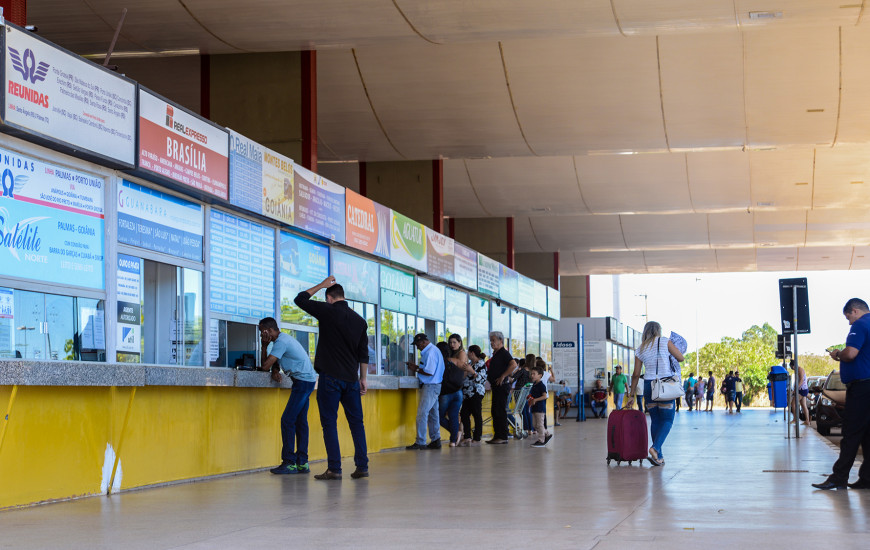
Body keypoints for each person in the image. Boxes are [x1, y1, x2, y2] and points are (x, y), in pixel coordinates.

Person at [294, 277, 369, 481]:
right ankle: (362, 466)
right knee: (357, 423)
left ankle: (334, 469)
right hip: (352, 380)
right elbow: (364, 355)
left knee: (329, 424)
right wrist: (363, 378)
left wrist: (321, 284)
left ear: (329, 298)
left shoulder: (328, 311)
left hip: (330, 379)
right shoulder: (359, 321)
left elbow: (299, 300)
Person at [813, 298, 870, 490]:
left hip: (861, 388)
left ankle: (839, 477)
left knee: (851, 432)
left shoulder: (860, 325)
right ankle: (867, 478)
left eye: (848, 317)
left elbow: (851, 353)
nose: (849, 322)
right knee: (867, 435)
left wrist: (838, 354)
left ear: (854, 311)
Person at [258, 317, 318, 475]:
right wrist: (276, 370)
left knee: (287, 420)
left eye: (262, 332)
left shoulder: (280, 342)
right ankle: (302, 463)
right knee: (300, 421)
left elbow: (265, 366)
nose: (261, 336)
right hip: (307, 381)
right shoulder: (283, 340)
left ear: (269, 331)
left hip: (303, 382)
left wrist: (264, 346)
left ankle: (289, 462)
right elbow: (275, 362)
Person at [629, 321, 685, 467]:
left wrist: (631, 395)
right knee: (667, 420)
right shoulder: (665, 341)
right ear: (658, 330)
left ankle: (658, 456)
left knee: (655, 420)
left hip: (648, 386)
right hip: (665, 385)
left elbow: (636, 374)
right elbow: (681, 358)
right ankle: (655, 448)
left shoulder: (640, 349)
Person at [405, 334, 445, 450]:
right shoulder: (433, 350)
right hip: (434, 386)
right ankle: (435, 439)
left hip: (430, 386)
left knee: (422, 414)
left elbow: (429, 371)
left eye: (418, 345)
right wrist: (417, 367)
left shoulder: (430, 352)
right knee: (433, 415)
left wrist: (416, 369)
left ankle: (421, 441)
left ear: (423, 342)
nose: (418, 347)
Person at [486, 331, 517, 444]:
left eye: (493, 340)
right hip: (496, 387)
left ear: (501, 341)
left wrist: (503, 376)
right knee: (495, 411)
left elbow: (513, 364)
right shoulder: (496, 353)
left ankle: (503, 436)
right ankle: (498, 435)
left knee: (500, 411)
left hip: (502, 386)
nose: (492, 343)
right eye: (491, 340)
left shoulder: (504, 353)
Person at [437, 340, 464, 447]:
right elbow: (466, 369)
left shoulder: (440, 362)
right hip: (458, 392)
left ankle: (455, 434)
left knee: (439, 417)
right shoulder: (456, 360)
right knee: (453, 416)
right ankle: (453, 441)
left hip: (446, 393)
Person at [459, 345, 487, 446]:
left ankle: (477, 437)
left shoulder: (481, 364)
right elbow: (464, 377)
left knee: (476, 414)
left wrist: (472, 371)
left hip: (476, 392)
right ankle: (467, 436)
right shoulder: (470, 364)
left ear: (472, 353)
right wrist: (466, 372)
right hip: (466, 393)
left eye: (468, 352)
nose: (467, 354)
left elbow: (481, 379)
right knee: (464, 414)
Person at [527, 366, 553, 447]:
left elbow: (544, 396)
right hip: (534, 408)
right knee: (535, 425)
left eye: (534, 374)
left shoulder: (541, 385)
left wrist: (536, 400)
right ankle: (547, 434)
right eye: (531, 374)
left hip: (540, 408)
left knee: (540, 424)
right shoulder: (534, 384)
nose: (532, 375)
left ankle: (541, 440)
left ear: (540, 375)